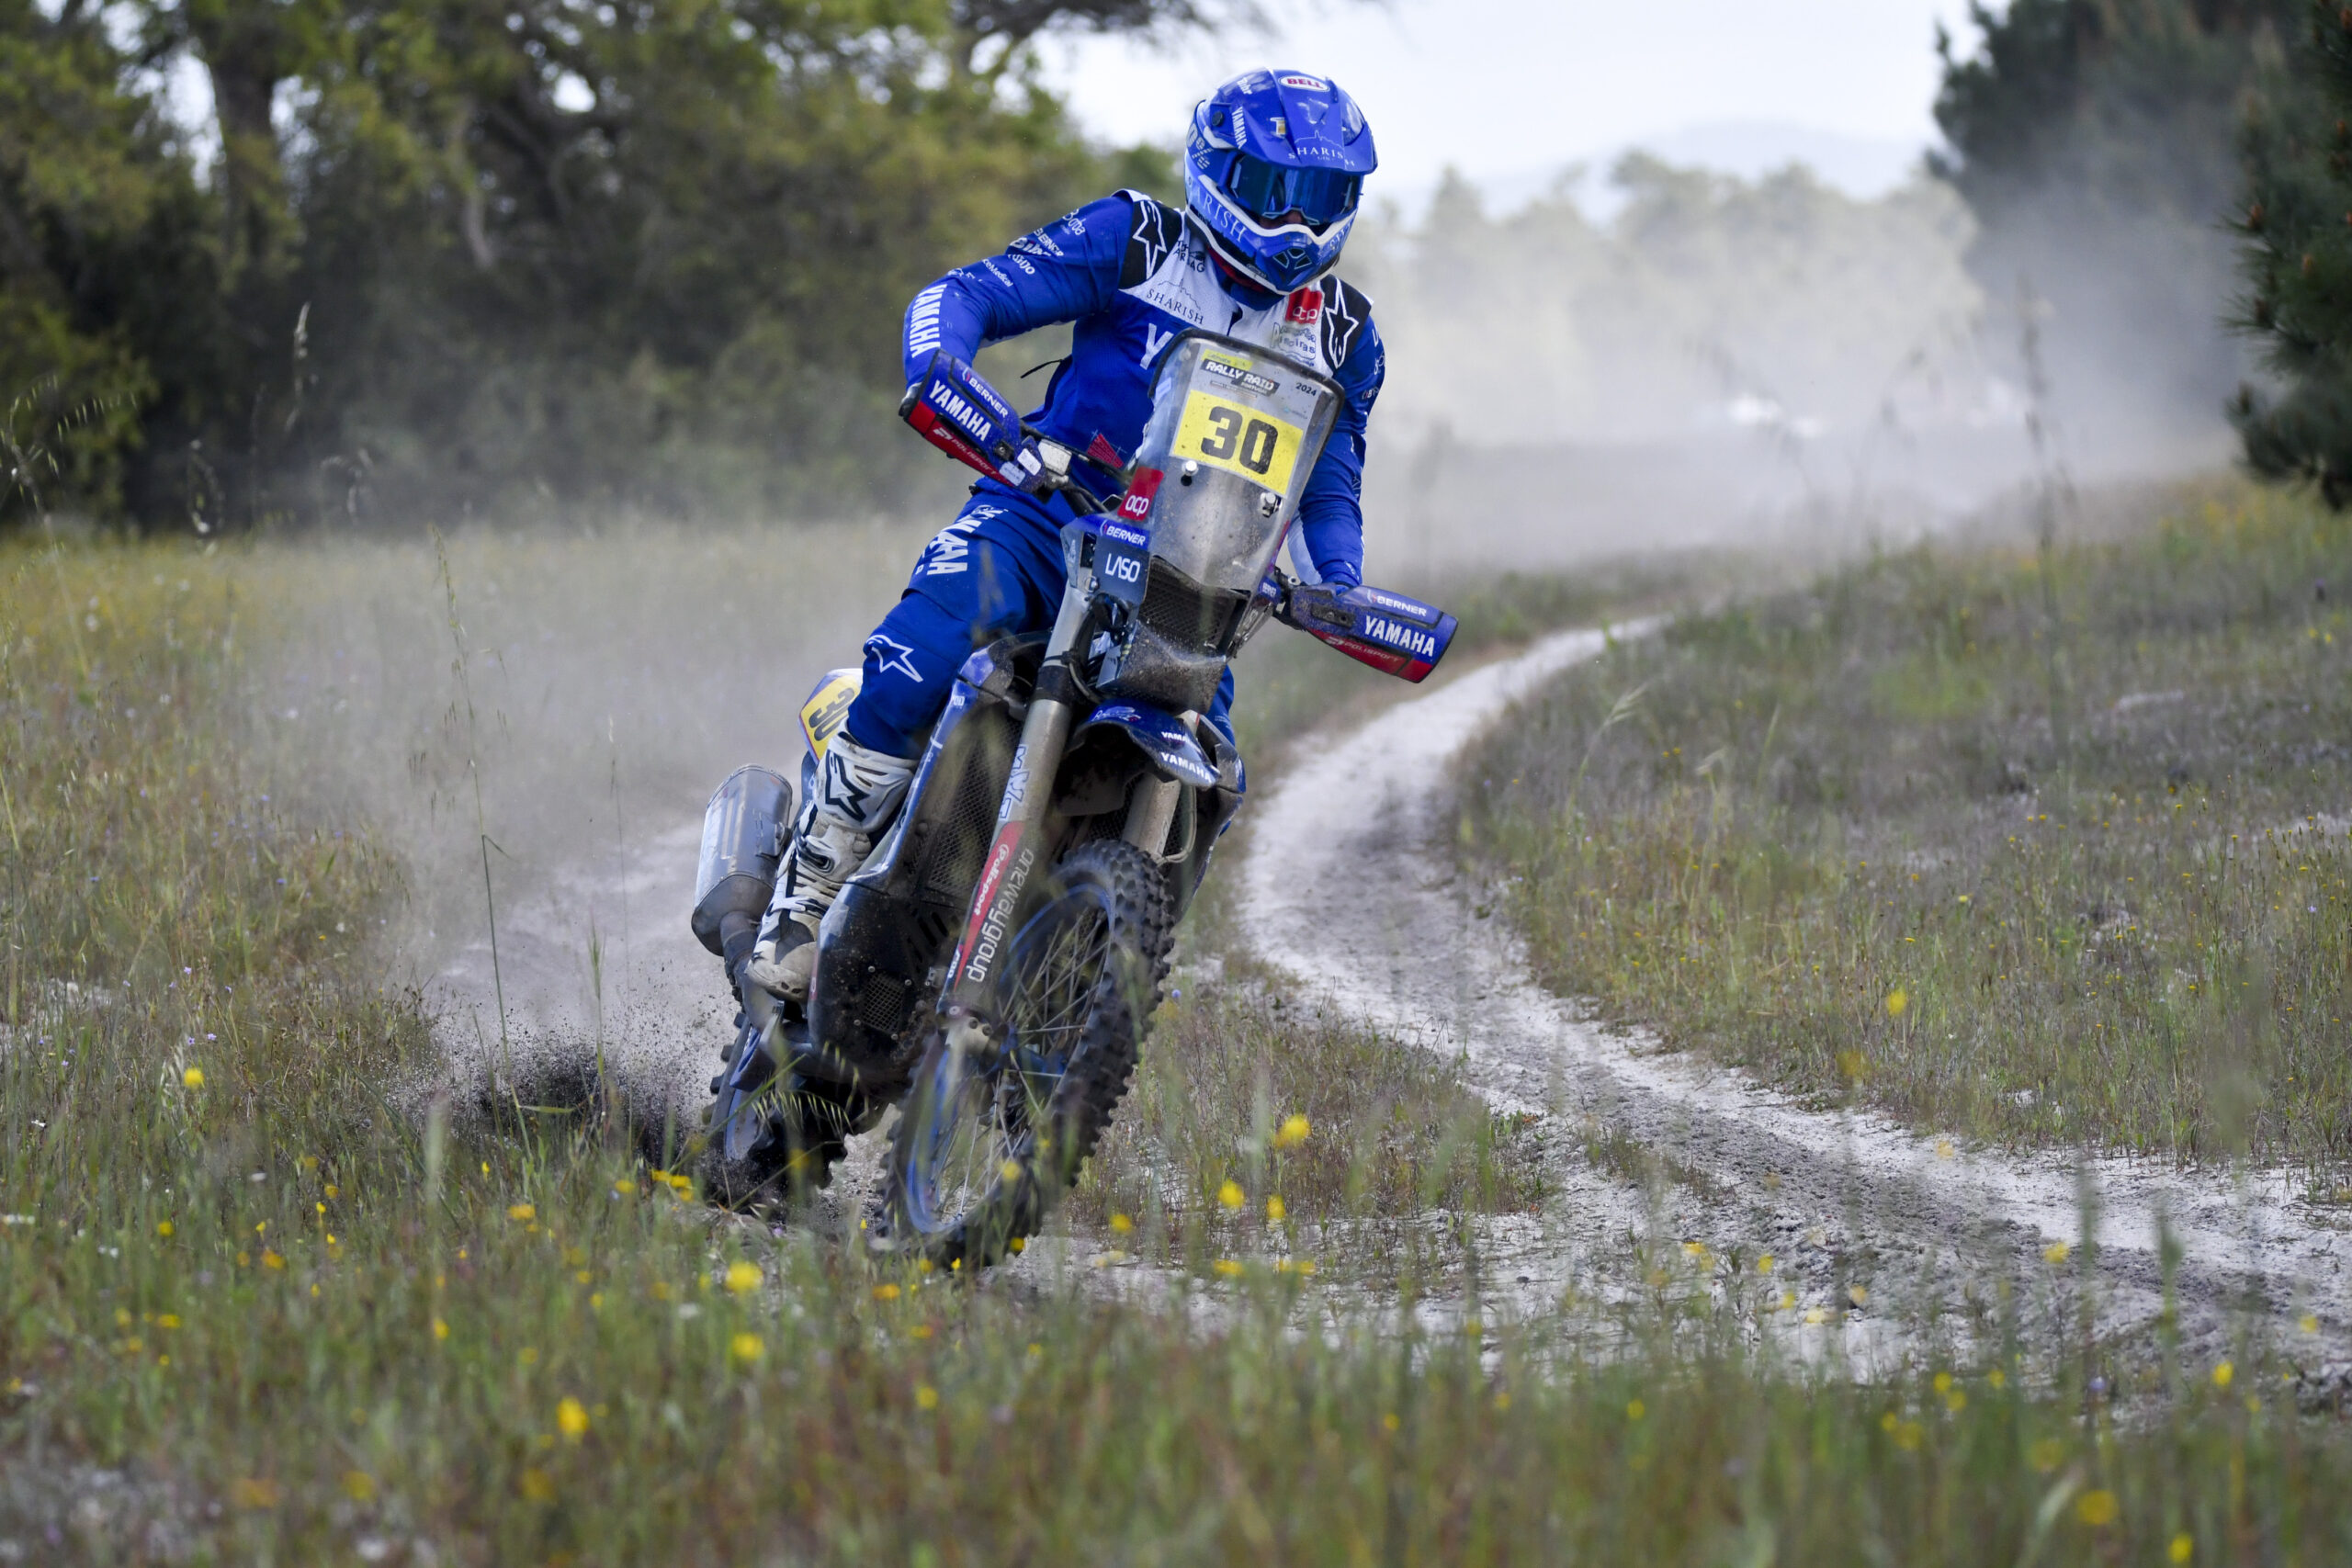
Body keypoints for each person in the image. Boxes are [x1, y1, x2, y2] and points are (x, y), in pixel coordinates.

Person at [743, 67, 1386, 1002]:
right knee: (928, 653)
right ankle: (804, 899)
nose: (1295, 223)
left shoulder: (1344, 336)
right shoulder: (1138, 239)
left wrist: (1341, 580)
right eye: (1272, 190)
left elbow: (1331, 481)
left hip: (1192, 584)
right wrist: (943, 367)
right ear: (1215, 171)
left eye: (1321, 198)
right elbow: (966, 295)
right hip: (1047, 512)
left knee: (1212, 778)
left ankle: (1086, 997)